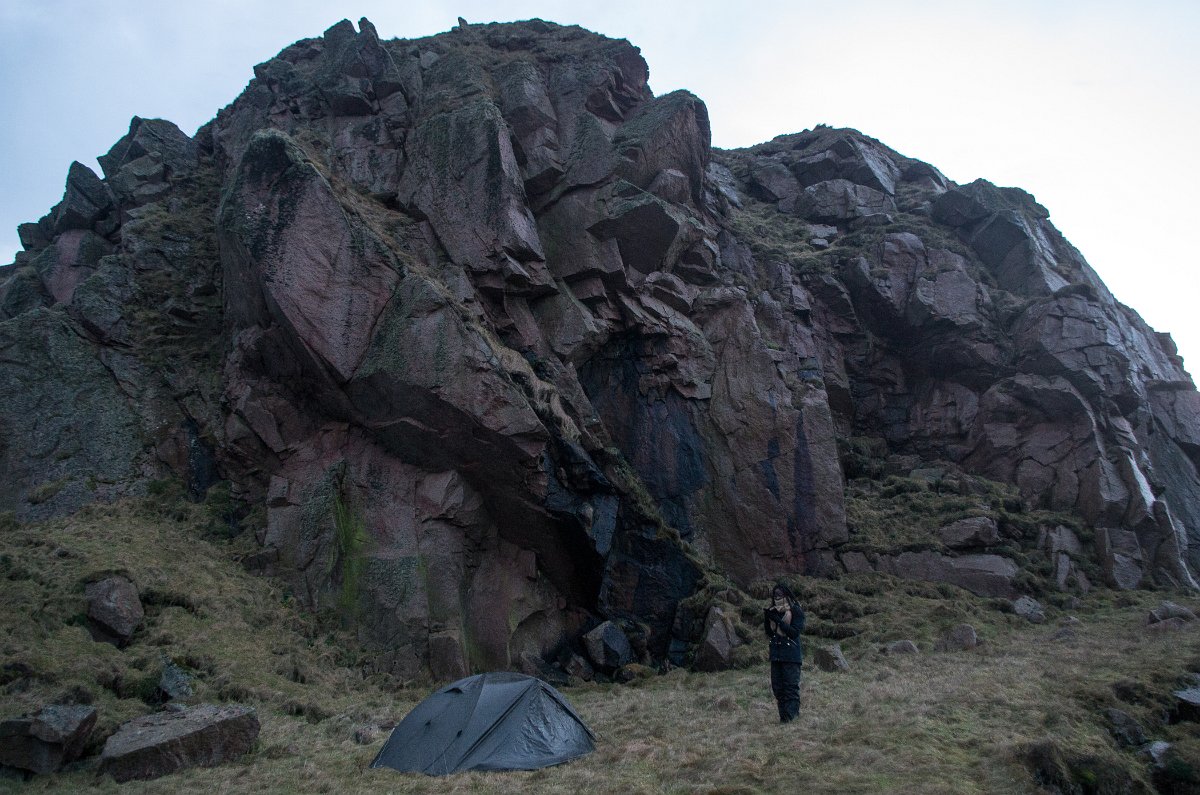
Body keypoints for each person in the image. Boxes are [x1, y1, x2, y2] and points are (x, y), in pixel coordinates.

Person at [763, 582, 805, 723]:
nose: (776, 598)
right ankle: (784, 719)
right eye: (774, 595)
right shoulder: (773, 611)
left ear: (786, 595)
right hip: (776, 655)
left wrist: (779, 621)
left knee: (790, 688)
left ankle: (791, 719)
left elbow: (794, 633)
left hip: (791, 656)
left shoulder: (796, 611)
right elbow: (770, 633)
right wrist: (767, 618)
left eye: (779, 595)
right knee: (778, 688)